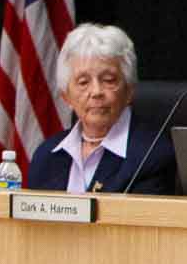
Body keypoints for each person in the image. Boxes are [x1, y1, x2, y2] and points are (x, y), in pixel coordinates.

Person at [27, 22, 177, 194]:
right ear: (66, 97)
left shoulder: (152, 155)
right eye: (83, 82)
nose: (96, 92)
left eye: (108, 80)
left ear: (129, 91)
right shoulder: (46, 157)